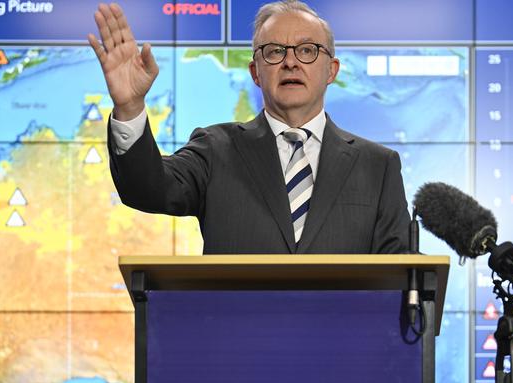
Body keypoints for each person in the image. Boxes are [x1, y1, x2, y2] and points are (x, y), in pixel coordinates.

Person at [88, 0, 410, 254]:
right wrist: (130, 108)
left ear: (332, 70)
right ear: (255, 73)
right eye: (274, 52)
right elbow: (147, 189)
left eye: (307, 50)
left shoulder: (378, 166)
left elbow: (400, 281)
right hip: (236, 335)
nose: (290, 62)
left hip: (342, 337)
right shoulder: (216, 149)